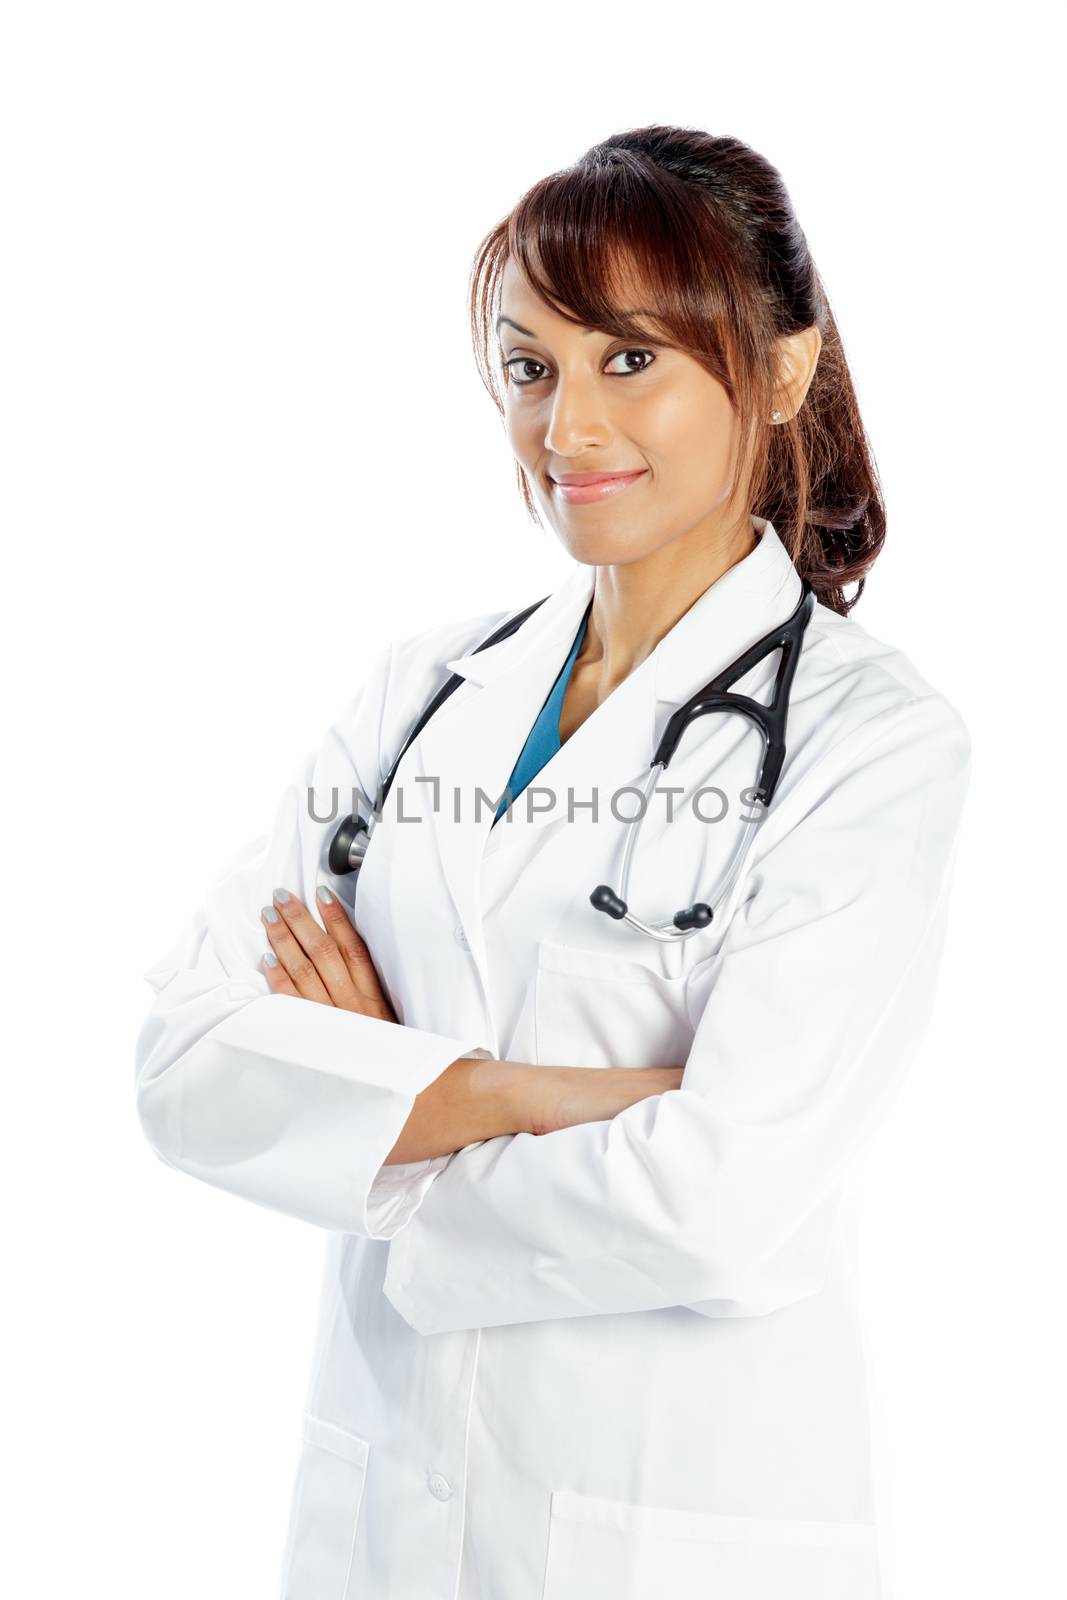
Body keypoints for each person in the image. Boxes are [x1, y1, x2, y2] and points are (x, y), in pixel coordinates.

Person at [134, 125, 972, 1600]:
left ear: (781, 371)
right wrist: (539, 1099)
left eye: (630, 360)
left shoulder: (873, 742)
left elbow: (723, 1204)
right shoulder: (425, 690)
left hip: (668, 1526)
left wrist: (371, 1121)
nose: (566, 431)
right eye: (532, 369)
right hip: (379, 1516)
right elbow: (186, 1065)